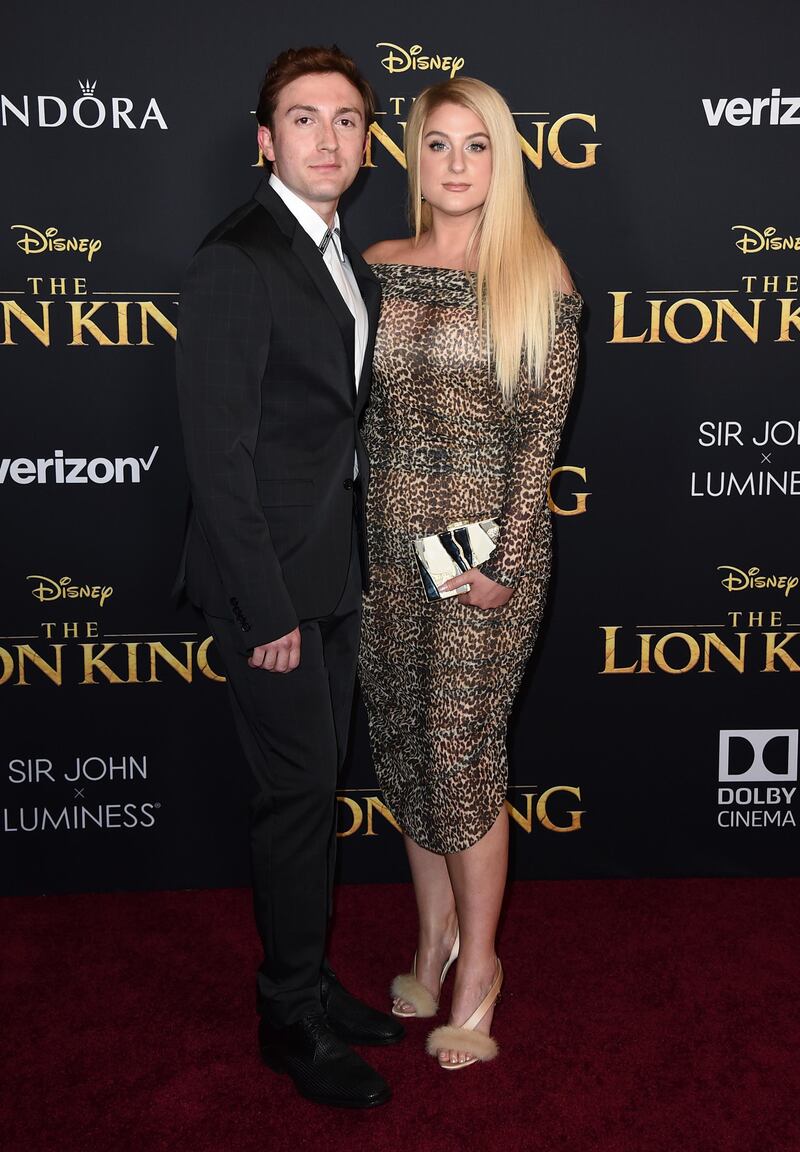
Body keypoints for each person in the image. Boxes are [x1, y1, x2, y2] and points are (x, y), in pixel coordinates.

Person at [175, 45, 403, 1109]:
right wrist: (264, 607)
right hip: (267, 587)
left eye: (348, 121)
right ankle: (288, 1016)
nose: (329, 138)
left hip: (327, 570)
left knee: (314, 798)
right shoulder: (241, 257)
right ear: (265, 141)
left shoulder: (330, 251)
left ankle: (312, 985)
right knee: (295, 801)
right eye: (304, 119)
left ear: (365, 145)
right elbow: (216, 458)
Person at [358, 76, 581, 1070]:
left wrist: (506, 560)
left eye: (474, 145)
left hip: (482, 555)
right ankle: (430, 938)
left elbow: (539, 441)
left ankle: (478, 968)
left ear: (503, 158)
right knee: (404, 751)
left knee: (459, 757)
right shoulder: (377, 264)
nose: (454, 164)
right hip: (382, 547)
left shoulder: (535, 274)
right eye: (435, 144)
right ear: (414, 157)